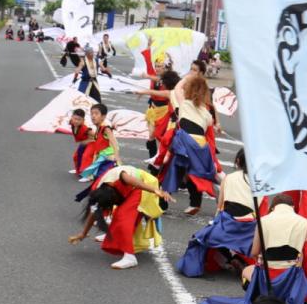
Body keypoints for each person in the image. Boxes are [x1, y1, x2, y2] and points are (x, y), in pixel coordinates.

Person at [68, 165, 171, 269]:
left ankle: (130, 257)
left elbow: (136, 182)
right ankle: (122, 238)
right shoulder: (99, 191)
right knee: (121, 215)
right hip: (132, 188)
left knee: (123, 216)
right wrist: (83, 234)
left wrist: (155, 190)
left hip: (144, 185)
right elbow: (95, 212)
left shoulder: (121, 177)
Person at [177, 149, 256, 277]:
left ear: (238, 161)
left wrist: (214, 224)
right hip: (250, 225)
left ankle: (228, 259)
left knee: (202, 239)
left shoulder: (229, 178)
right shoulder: (258, 182)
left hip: (230, 221)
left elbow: (220, 206)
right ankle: (239, 261)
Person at [157, 72, 220, 214]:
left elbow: (177, 89)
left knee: (169, 169)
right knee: (193, 173)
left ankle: (162, 202)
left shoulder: (184, 104)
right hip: (201, 146)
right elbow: (210, 128)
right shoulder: (206, 112)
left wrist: (188, 77)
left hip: (185, 142)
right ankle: (195, 203)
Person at [67, 109, 91, 176]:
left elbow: (95, 137)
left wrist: (86, 142)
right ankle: (78, 170)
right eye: (75, 118)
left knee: (86, 157)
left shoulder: (85, 129)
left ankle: (87, 175)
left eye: (79, 119)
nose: (76, 121)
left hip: (91, 144)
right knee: (76, 157)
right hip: (83, 143)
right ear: (72, 117)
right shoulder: (72, 122)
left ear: (83, 120)